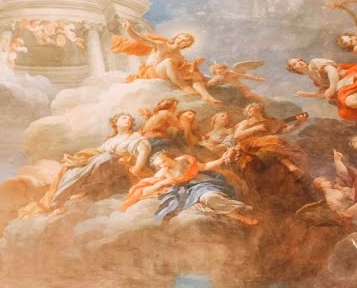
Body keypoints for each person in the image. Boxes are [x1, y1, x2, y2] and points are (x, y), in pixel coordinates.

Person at [23, 113, 152, 217]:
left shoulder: (135, 136)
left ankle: (84, 189)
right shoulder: (111, 140)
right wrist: (74, 158)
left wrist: (137, 167)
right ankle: (58, 204)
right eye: (124, 118)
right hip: (104, 163)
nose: (128, 120)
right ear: (115, 123)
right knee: (74, 169)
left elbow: (143, 152)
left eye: (129, 119)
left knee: (105, 158)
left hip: (125, 167)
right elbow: (95, 152)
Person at [122, 150, 258, 226]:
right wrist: (162, 183)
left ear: (168, 157)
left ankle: (241, 216)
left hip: (200, 184)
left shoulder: (184, 160)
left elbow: (204, 166)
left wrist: (221, 159)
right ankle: (239, 218)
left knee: (210, 197)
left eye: (163, 161)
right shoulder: (163, 172)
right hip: (186, 191)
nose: (163, 165)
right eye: (159, 165)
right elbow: (150, 185)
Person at [287, 58, 357, 138]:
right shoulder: (314, 79)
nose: (299, 62)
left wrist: (332, 87)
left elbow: (332, 71)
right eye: (295, 64)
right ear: (294, 70)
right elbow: (328, 95)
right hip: (342, 88)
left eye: (298, 60)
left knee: (349, 102)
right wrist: (309, 95)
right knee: (346, 111)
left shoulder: (315, 63)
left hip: (348, 77)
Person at [111, 23, 221, 104]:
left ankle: (206, 96)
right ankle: (184, 87)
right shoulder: (161, 45)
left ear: (186, 45)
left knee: (195, 74)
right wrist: (129, 29)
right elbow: (141, 39)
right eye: (179, 38)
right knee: (169, 61)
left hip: (164, 73)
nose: (180, 41)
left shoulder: (180, 57)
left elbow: (184, 70)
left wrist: (195, 64)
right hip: (151, 72)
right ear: (176, 38)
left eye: (184, 41)